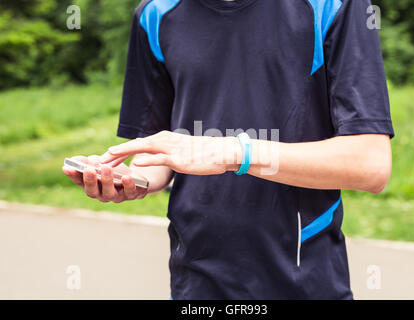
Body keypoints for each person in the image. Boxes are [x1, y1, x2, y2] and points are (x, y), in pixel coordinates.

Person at [63, 0, 394, 299]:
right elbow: (160, 153)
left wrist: (234, 153)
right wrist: (131, 179)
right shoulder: (154, 14)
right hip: (195, 283)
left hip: (303, 282)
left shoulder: (334, 5)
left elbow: (370, 164)